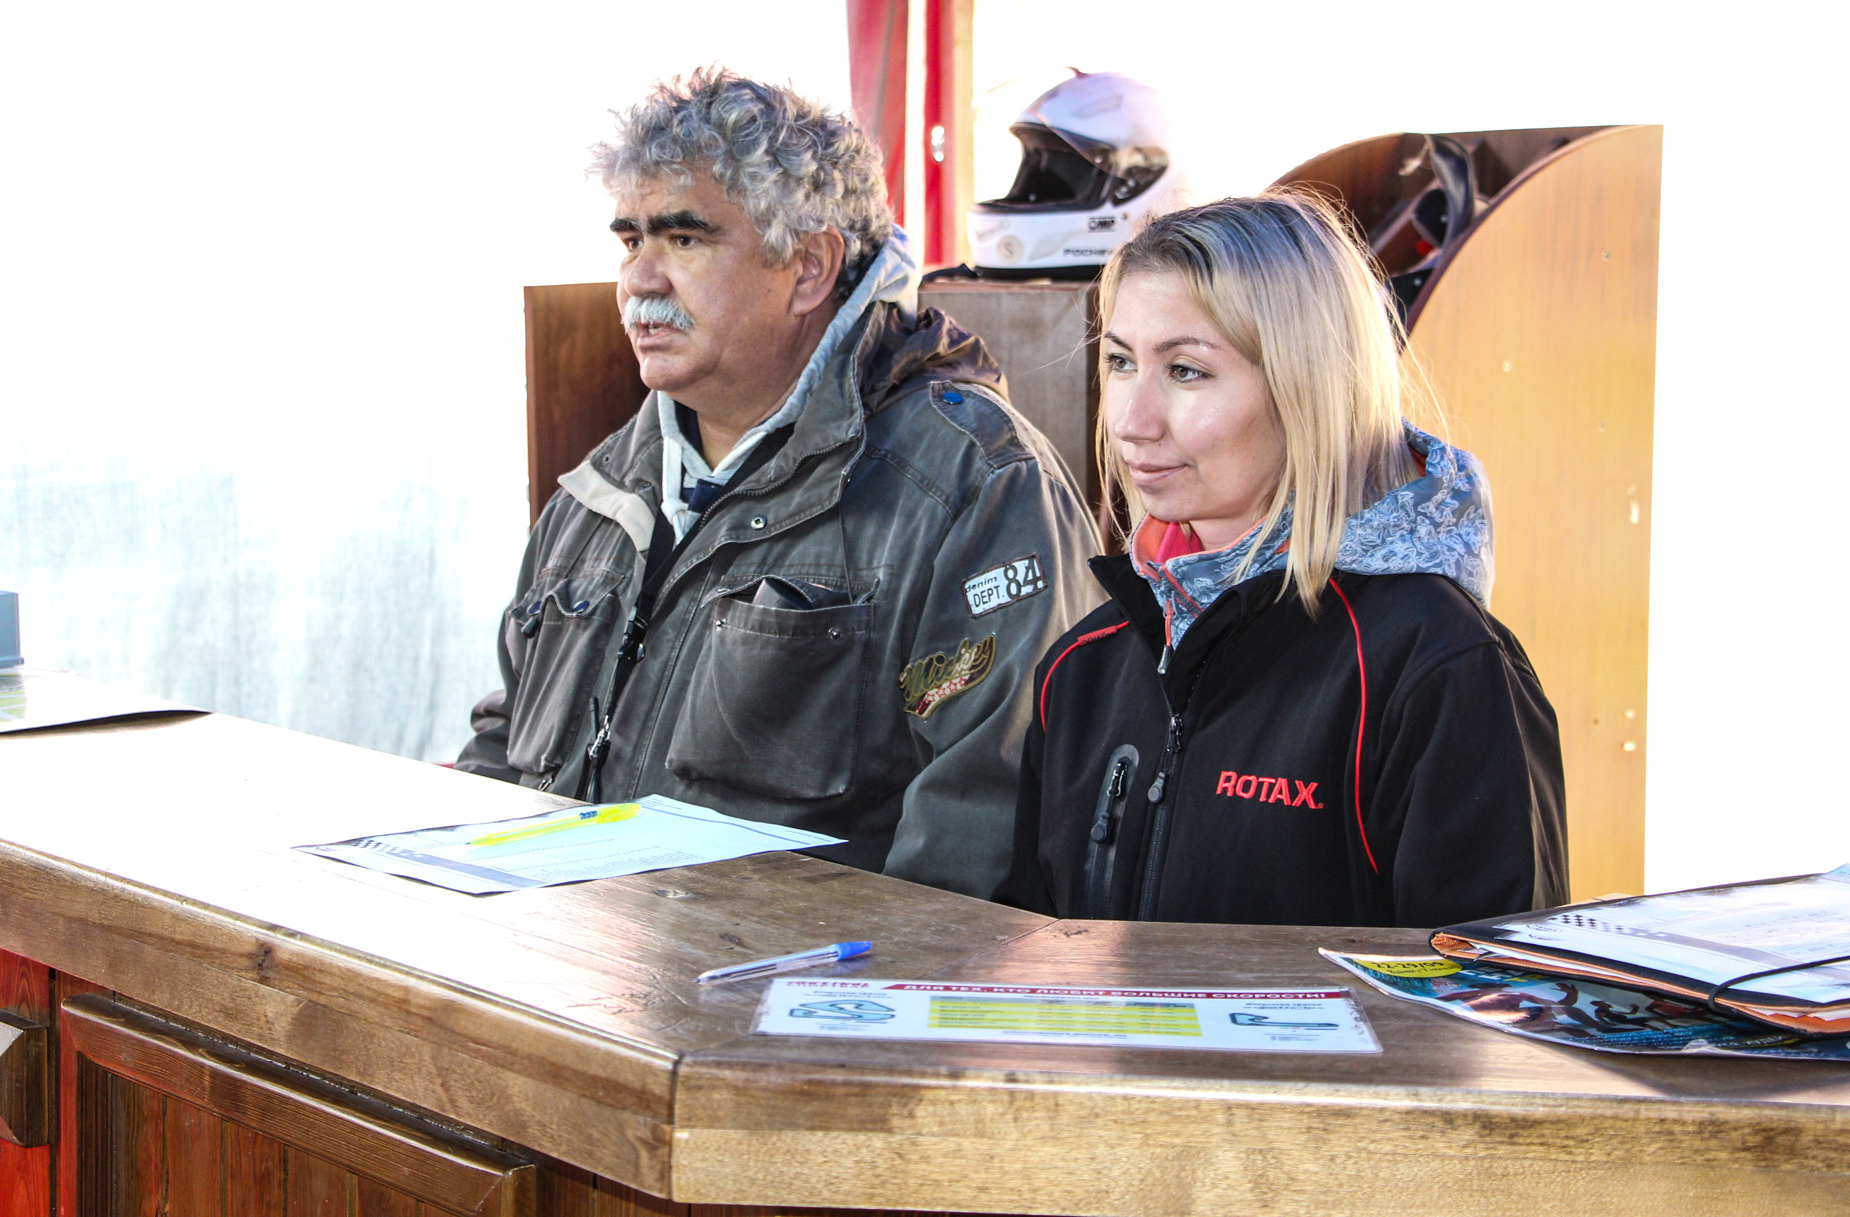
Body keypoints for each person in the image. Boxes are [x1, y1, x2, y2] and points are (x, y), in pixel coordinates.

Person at [457, 69, 1100, 899]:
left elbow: (985, 843)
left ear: (809, 267)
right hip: (556, 967)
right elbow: (506, 744)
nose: (641, 281)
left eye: (684, 240)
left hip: (805, 980)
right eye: (630, 242)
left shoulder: (973, 486)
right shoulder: (600, 490)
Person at [999, 192, 1567, 928]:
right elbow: (1033, 968)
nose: (1132, 421)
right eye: (1120, 362)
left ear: (1311, 386)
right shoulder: (1082, 667)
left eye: (1186, 371)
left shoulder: (1436, 666)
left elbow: (1493, 985)